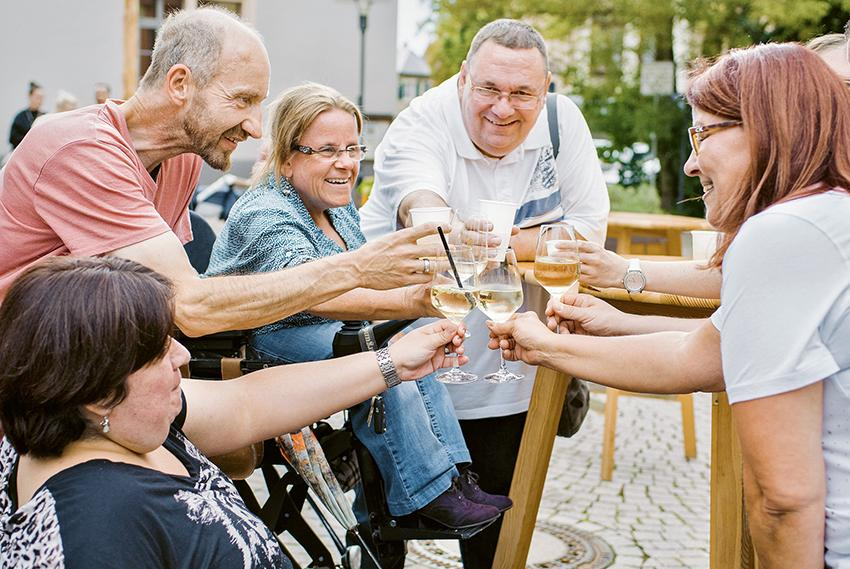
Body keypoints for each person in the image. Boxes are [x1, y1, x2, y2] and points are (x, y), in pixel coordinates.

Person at [489, 43, 850, 568]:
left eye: (703, 133)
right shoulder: (830, 216)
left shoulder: (786, 233)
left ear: (771, 126)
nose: (690, 161)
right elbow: (705, 353)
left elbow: (783, 498)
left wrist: (552, 341)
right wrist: (566, 340)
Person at [0, 7, 440, 339]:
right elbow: (189, 307)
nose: (255, 127)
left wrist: (413, 300)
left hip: (97, 359)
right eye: (242, 100)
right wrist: (358, 268)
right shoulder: (81, 148)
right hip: (29, 383)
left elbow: (157, 297)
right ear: (179, 84)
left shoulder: (186, 157)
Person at [0, 256, 469, 567]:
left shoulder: (116, 420)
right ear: (97, 391)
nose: (182, 358)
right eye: (161, 351)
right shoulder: (95, 528)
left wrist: (393, 362)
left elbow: (248, 404)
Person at [357, 18, 609, 567]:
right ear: (463, 78)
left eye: (522, 93)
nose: (503, 108)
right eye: (489, 89)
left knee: (494, 544)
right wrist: (455, 228)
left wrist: (493, 241)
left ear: (547, 91)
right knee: (383, 543)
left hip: (507, 374)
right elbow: (423, 211)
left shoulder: (564, 124)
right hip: (409, 377)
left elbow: (588, 236)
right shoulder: (422, 121)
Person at [206, 82, 510, 529]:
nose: (346, 163)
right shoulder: (265, 211)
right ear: (288, 158)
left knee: (412, 344)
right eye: (327, 149)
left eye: (352, 148)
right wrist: (411, 301)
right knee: (383, 357)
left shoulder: (337, 208)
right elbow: (318, 293)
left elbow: (367, 279)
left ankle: (451, 477)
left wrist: (427, 284)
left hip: (316, 333)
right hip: (257, 342)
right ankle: (420, 493)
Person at [575, 31, 850, 302]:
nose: (827, 107)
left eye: (841, 89)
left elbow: (709, 342)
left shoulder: (799, 220)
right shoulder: (804, 212)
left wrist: (624, 276)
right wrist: (623, 281)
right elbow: (739, 287)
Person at [7, 81, 44, 149]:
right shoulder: (20, 117)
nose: (40, 100)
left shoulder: (45, 116)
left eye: (42, 97)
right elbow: (12, 139)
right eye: (38, 97)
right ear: (30, 96)